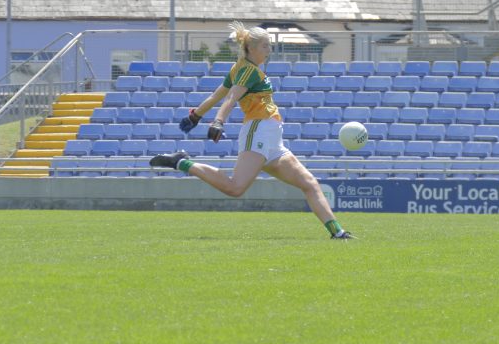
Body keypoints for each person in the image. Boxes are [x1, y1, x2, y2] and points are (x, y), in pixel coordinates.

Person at [150, 21, 354, 239]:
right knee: (235, 188)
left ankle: (338, 233)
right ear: (252, 48)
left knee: (309, 183)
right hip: (258, 132)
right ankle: (181, 161)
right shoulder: (248, 71)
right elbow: (230, 98)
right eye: (265, 46)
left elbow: (216, 95)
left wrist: (196, 115)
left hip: (273, 141)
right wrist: (218, 121)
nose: (269, 50)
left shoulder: (241, 68)